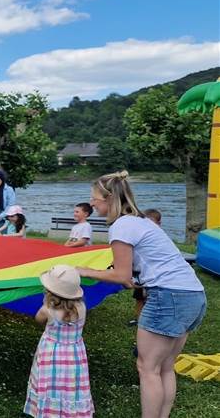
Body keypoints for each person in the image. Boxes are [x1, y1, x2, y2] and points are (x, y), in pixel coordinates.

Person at [78, 171, 205, 418]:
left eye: (94, 198)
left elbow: (121, 277)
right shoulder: (142, 221)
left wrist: (81, 270)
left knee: (147, 368)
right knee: (165, 366)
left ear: (109, 198)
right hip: (193, 293)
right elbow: (135, 276)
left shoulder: (122, 226)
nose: (92, 203)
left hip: (169, 297)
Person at [23, 265, 94, 417]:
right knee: (71, 385)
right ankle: (71, 411)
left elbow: (38, 319)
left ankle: (49, 411)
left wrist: (45, 304)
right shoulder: (82, 307)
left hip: (51, 354)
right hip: (74, 355)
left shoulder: (47, 310)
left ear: (50, 291)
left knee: (50, 383)